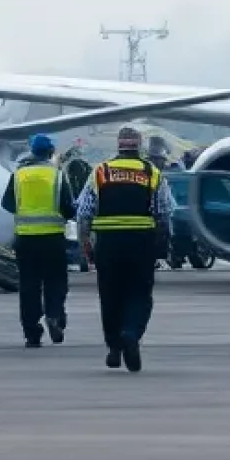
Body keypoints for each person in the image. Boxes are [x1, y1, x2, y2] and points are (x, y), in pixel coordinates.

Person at [76, 126, 173, 371]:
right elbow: (164, 212)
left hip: (108, 243)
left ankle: (114, 347)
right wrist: (162, 244)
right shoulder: (152, 172)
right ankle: (131, 333)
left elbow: (84, 213)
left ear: (118, 146)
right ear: (139, 146)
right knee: (140, 294)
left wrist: (85, 244)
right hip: (141, 242)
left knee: (110, 296)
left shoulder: (101, 171)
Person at [1, 133, 77, 347]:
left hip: (25, 239)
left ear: (31, 151)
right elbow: (68, 209)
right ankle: (54, 315)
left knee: (28, 286)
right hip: (52, 238)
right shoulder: (57, 175)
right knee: (56, 281)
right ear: (51, 152)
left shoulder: (19, 175)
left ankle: (32, 333)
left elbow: (7, 203)